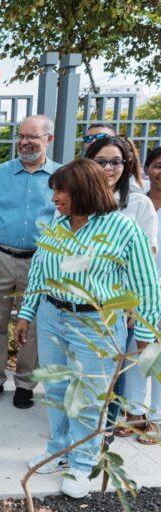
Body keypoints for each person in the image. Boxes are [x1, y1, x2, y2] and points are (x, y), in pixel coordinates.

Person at [13, 158, 160, 498]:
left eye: (60, 191)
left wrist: (144, 336)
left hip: (95, 323)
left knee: (89, 396)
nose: (54, 199)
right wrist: (26, 313)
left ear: (82, 190)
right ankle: (60, 450)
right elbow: (40, 273)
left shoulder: (123, 230)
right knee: (57, 390)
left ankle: (83, 462)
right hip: (52, 316)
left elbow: (146, 285)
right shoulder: (58, 225)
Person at [0, 114, 60, 408]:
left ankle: (25, 383)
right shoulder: (0, 173)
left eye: (31, 137)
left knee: (34, 325)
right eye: (21, 136)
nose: (24, 142)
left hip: (40, 263)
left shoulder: (61, 176)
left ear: (48, 140)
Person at [85, 137, 159, 442]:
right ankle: (87, 425)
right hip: (86, 299)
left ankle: (105, 430)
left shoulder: (138, 203)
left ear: (126, 165)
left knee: (114, 368)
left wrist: (133, 304)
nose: (108, 168)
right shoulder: (81, 199)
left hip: (120, 302)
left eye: (115, 161)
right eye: (101, 161)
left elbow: (146, 259)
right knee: (88, 366)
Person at [138, 146, 161, 443]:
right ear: (146, 169)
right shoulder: (137, 202)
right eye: (157, 165)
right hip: (137, 290)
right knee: (138, 352)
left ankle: (156, 417)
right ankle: (133, 413)